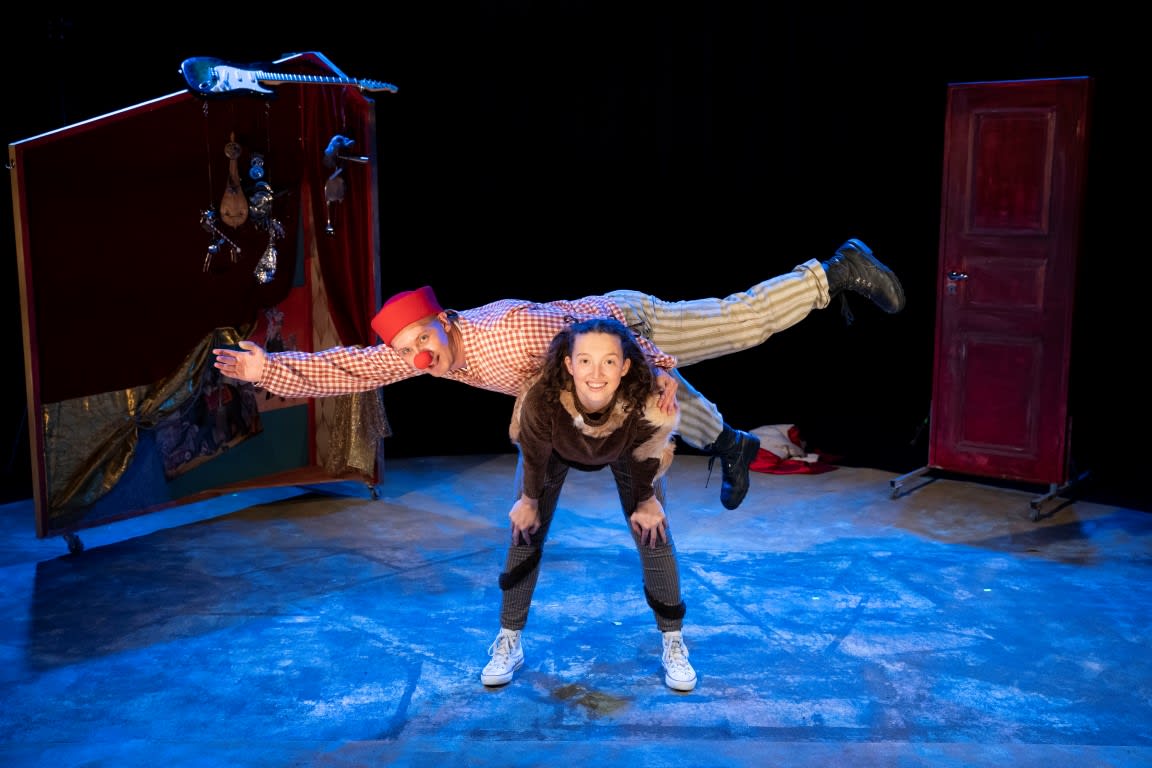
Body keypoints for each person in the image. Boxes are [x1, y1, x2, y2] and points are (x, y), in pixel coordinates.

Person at [213, 238, 905, 510]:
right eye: (408, 349)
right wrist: (271, 367)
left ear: (443, 320)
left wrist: (658, 364)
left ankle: (833, 271)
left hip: (625, 324)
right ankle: (734, 446)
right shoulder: (427, 354)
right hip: (595, 362)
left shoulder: (507, 329)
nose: (418, 356)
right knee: (662, 405)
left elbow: (599, 335)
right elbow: (353, 366)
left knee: (736, 326)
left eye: (422, 339)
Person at [482, 316, 694, 690]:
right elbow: (534, 454)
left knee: (654, 530)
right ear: (569, 364)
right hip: (552, 451)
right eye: (585, 361)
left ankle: (674, 641)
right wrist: (529, 500)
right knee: (524, 529)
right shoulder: (542, 399)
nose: (596, 373)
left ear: (624, 366)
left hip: (629, 452)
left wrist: (646, 500)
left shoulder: (647, 400)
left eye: (609, 361)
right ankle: (508, 640)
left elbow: (648, 449)